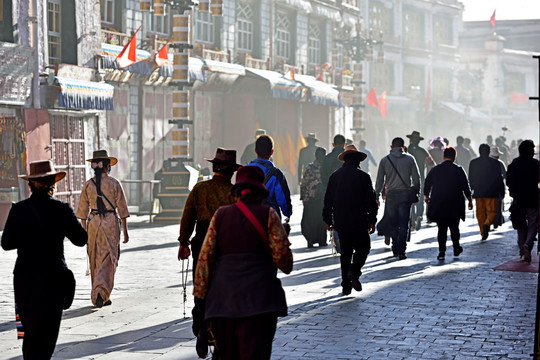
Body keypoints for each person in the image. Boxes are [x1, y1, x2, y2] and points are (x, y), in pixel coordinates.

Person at [193, 165, 293, 359]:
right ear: (260, 192)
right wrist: (283, 241)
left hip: (224, 301)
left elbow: (204, 262)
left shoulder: (220, 215)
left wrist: (201, 307)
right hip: (261, 302)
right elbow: (285, 263)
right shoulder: (269, 215)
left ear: (236, 192)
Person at [2, 160, 87, 359]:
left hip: (24, 279)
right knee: (47, 334)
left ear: (30, 184)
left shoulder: (18, 209)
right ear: (52, 184)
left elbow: (6, 243)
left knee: (29, 334)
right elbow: (81, 240)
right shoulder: (62, 209)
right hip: (52, 278)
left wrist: (27, 237)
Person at [177, 148, 241, 358]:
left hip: (202, 241)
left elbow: (188, 217)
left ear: (214, 168)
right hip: (227, 243)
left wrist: (184, 243)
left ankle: (202, 329)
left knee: (201, 286)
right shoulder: (234, 193)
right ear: (231, 172)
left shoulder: (200, 189)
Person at [77, 150, 129, 309]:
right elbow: (122, 210)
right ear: (107, 166)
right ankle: (103, 292)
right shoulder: (114, 183)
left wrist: (83, 231)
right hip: (110, 223)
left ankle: (97, 291)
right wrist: (125, 231)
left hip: (93, 224)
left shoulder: (87, 185)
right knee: (109, 258)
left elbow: (82, 213)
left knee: (94, 258)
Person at [323, 145, 377, 295]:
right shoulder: (363, 177)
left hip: (341, 221)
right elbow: (371, 201)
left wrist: (327, 219)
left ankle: (346, 286)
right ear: (358, 160)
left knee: (345, 253)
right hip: (359, 220)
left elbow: (328, 200)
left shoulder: (335, 176)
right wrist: (372, 219)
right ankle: (354, 271)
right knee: (364, 248)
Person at [375, 137, 420, 260]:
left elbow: (380, 181)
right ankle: (402, 249)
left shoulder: (385, 160)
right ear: (403, 147)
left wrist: (377, 195)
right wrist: (416, 192)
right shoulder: (410, 159)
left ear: (391, 147)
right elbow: (416, 179)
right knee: (404, 222)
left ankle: (395, 247)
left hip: (391, 195)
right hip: (405, 195)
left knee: (393, 222)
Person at [424, 147, 473, 260]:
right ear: (454, 157)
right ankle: (456, 247)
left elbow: (427, 183)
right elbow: (465, 185)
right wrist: (469, 199)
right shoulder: (459, 169)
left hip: (439, 203)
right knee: (454, 227)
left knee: (442, 228)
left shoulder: (435, 169)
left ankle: (442, 251)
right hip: (455, 204)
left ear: (443, 156)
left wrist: (427, 195)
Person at [506, 140, 539, 263]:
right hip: (533, 199)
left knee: (520, 225)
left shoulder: (514, 164)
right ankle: (527, 245)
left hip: (519, 199)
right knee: (532, 225)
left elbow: (508, 181)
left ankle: (522, 250)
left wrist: (512, 190)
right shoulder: (536, 164)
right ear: (530, 151)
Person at [249, 134, 293, 220]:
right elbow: (282, 198)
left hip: (248, 217)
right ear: (272, 152)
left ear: (255, 150)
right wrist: (287, 212)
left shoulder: (245, 171)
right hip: (270, 218)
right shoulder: (276, 174)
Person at [468, 144, 505, 240]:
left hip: (479, 192)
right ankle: (487, 223)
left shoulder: (473, 163)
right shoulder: (495, 163)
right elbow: (499, 178)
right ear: (489, 152)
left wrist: (470, 190)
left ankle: (482, 231)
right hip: (492, 192)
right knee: (491, 211)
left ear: (479, 151)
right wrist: (502, 191)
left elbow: (470, 178)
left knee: (480, 212)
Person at [406, 131, 434, 230]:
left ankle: (412, 218)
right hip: (420, 178)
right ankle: (419, 216)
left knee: (410, 200)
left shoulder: (406, 150)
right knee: (420, 198)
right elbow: (432, 164)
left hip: (408, 180)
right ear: (418, 141)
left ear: (410, 140)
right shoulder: (424, 151)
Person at [300, 146, 327, 248]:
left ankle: (310, 240)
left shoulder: (309, 167)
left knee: (309, 220)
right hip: (322, 198)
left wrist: (303, 197)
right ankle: (322, 240)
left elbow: (304, 183)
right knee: (321, 219)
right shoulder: (325, 167)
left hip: (310, 198)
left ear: (315, 156)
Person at [489, 146, 507, 229]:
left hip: (488, 188)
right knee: (498, 205)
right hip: (498, 188)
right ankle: (496, 222)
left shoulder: (486, 163)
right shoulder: (500, 163)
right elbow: (505, 175)